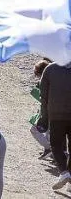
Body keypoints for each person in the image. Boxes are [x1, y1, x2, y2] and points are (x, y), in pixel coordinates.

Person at [41, 56, 71, 190]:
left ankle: (64, 172)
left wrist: (44, 116)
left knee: (56, 145)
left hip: (56, 115)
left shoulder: (50, 69)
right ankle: (68, 177)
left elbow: (43, 96)